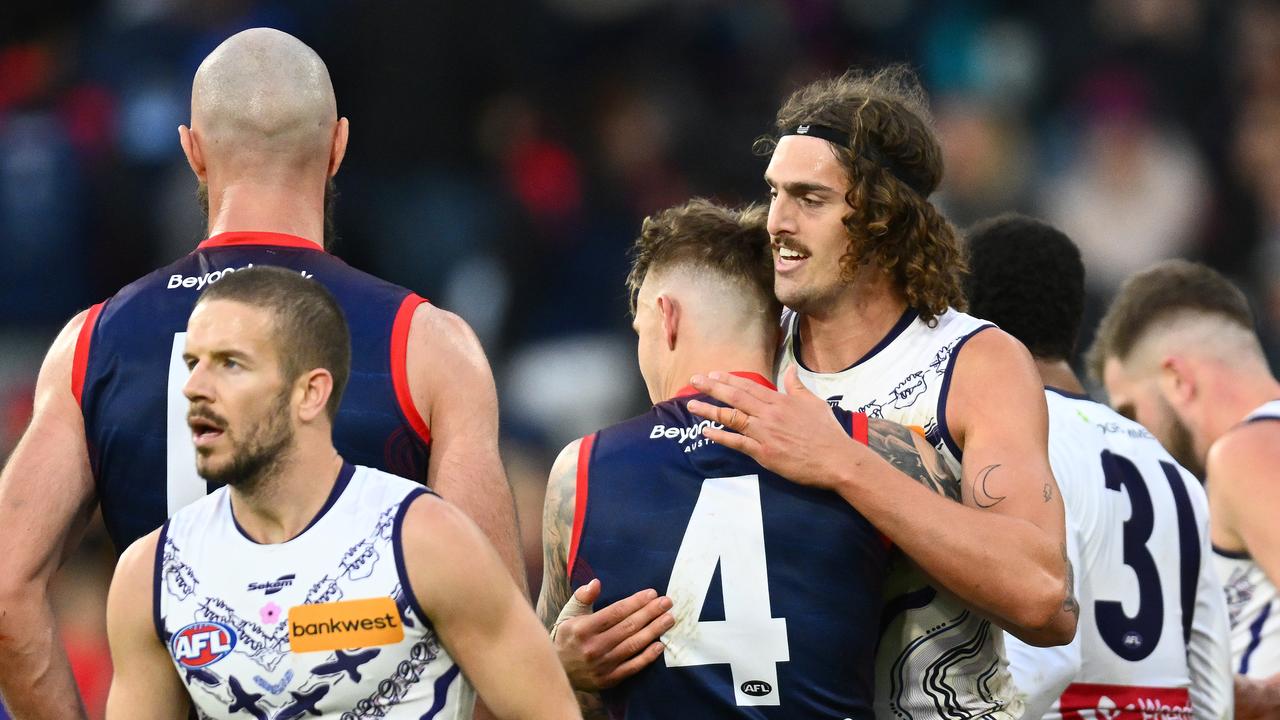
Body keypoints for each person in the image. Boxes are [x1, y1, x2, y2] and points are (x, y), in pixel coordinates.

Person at [0, 28, 521, 719]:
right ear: (337, 148)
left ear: (193, 152)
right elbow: (500, 629)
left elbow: (7, 586)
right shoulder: (426, 344)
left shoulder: (93, 344)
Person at [685, 66, 1075, 719]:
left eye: (809, 199)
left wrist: (843, 461)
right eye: (774, 193)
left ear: (883, 219)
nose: (776, 221)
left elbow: (1041, 598)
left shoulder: (974, 362)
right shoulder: (746, 345)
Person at [537, 199, 962, 719]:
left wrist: (554, 666)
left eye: (640, 330)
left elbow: (539, 693)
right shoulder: (874, 450)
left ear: (666, 319)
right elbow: (1011, 596)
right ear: (779, 330)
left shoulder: (579, 471)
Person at [104, 267, 577, 720]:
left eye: (230, 364)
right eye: (193, 363)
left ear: (310, 393)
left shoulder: (424, 541)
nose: (194, 388)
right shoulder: (153, 572)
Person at [965, 215, 1232, 719]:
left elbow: (1040, 662)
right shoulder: (1168, 466)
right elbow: (1212, 682)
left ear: (969, 319)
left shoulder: (1013, 448)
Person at [1088, 259, 1280, 718]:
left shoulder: (1245, 451)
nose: (1130, 435)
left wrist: (1253, 697)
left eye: (1130, 413)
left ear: (1176, 379)